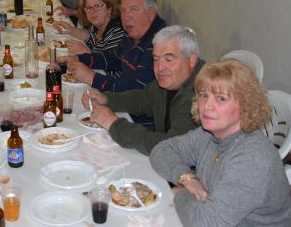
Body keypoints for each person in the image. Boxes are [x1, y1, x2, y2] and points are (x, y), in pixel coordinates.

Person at [150, 59, 291, 225]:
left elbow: (207, 222)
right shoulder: (209, 134)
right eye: (204, 95)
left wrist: (180, 193)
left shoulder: (252, 158)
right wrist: (189, 180)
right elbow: (161, 150)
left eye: (221, 98)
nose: (207, 106)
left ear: (246, 105)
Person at [83, 25, 205, 154]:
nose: (160, 68)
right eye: (156, 59)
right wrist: (107, 99)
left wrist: (114, 124)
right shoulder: (172, 80)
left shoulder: (203, 96)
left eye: (169, 59)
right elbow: (143, 99)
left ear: (192, 60)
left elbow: (170, 147)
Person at [66, 0, 166, 93]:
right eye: (123, 10)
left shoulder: (159, 45)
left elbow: (136, 90)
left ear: (151, 13)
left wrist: (92, 78)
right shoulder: (132, 34)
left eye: (133, 9)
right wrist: (79, 58)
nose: (126, 16)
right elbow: (113, 58)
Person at [54, 0, 126, 77]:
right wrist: (71, 30)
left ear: (109, 8)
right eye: (88, 8)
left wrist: (86, 52)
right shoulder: (97, 26)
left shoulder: (117, 33)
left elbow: (110, 65)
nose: (93, 11)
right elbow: (89, 36)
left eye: (98, 6)